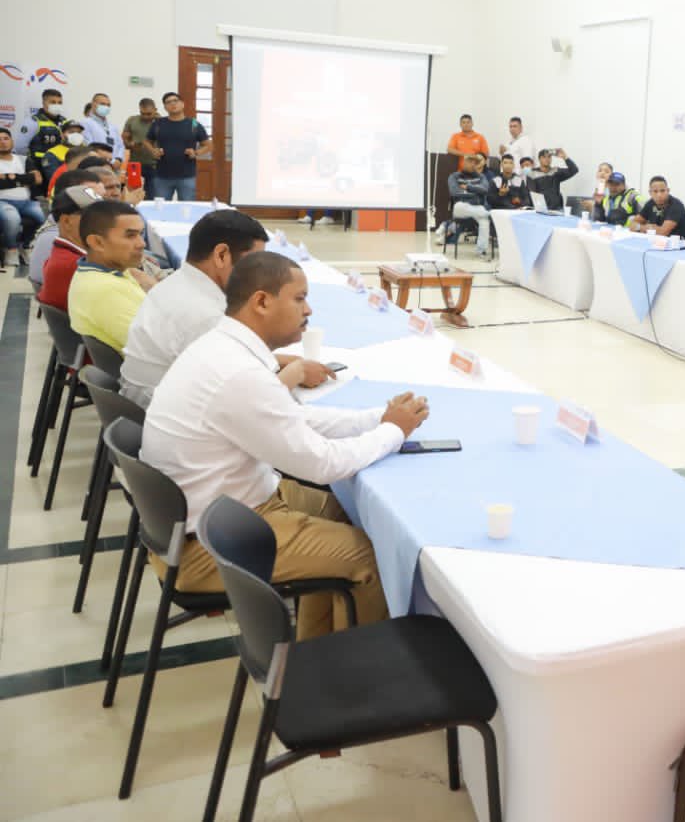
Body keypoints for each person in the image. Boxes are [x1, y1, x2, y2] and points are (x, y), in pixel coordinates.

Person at [141, 251, 431, 638]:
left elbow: (291, 418)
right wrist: (392, 432)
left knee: (346, 510)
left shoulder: (224, 348)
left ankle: (317, 644)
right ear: (261, 301)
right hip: (210, 544)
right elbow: (322, 464)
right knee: (372, 558)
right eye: (299, 298)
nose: (308, 310)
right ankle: (356, 669)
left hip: (224, 509)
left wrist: (377, 418)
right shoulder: (237, 372)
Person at [121, 211, 332, 408]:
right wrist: (297, 373)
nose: (258, 274)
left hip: (147, 402)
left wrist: (286, 361)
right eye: (253, 263)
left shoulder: (181, 284)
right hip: (165, 412)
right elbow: (248, 402)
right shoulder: (203, 314)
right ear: (221, 255)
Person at [66, 200, 154, 352]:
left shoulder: (108, 272)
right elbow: (156, 349)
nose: (142, 244)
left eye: (141, 234)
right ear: (97, 242)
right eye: (130, 236)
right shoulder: (104, 291)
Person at [29, 170, 102, 290]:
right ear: (67, 220)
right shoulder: (53, 240)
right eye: (91, 213)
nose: (101, 216)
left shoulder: (72, 235)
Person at [37, 183, 102, 309]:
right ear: (66, 221)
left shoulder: (65, 254)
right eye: (93, 215)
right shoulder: (77, 265)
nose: (104, 221)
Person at [146, 92, 211, 202]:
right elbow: (146, 141)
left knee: (187, 208)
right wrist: (153, 151)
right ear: (165, 107)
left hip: (187, 176)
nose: (172, 104)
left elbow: (208, 145)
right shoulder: (158, 124)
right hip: (162, 176)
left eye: (175, 101)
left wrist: (196, 153)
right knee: (161, 209)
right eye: (168, 102)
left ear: (182, 104)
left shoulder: (194, 124)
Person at [0, 126, 45, 266]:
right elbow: (31, 178)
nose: (3, 142)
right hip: (2, 201)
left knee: (42, 216)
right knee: (12, 218)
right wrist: (24, 179)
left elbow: (38, 179)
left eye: (6, 138)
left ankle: (26, 246)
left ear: (12, 141)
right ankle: (11, 249)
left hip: (26, 202)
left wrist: (8, 178)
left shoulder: (23, 159)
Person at [442, 153, 492, 256]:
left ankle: (481, 250)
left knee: (484, 221)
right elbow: (455, 192)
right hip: (461, 208)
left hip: (477, 207)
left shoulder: (481, 177)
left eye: (475, 163)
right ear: (463, 162)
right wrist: (475, 193)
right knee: (463, 207)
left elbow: (485, 190)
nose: (472, 164)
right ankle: (488, 214)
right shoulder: (454, 176)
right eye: (470, 161)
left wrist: (468, 187)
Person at [123, 97, 162, 186]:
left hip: (156, 165)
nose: (145, 117)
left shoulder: (163, 122)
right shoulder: (132, 120)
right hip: (135, 164)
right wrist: (130, 144)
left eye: (149, 114)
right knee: (133, 191)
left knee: (153, 193)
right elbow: (124, 139)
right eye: (142, 113)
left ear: (155, 110)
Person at [527, 147, 579, 212]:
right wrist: (539, 208)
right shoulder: (532, 173)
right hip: (541, 209)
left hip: (557, 209)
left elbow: (574, 170)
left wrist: (565, 157)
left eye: (549, 157)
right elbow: (533, 193)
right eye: (544, 157)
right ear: (539, 159)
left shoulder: (555, 171)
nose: (547, 159)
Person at [80, 92, 125, 160]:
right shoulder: (85, 123)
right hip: (96, 162)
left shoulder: (113, 127)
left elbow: (121, 146)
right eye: (102, 104)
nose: (106, 107)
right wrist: (107, 159)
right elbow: (89, 145)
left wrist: (118, 159)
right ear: (93, 104)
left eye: (108, 105)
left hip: (114, 164)